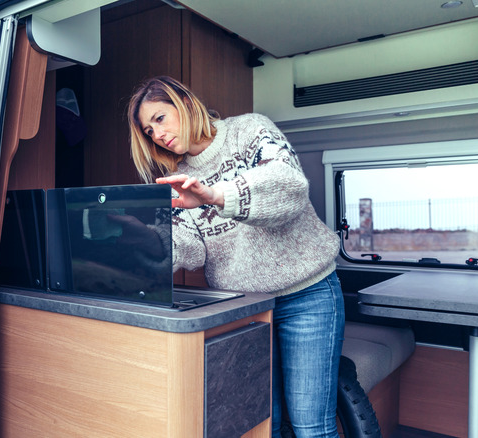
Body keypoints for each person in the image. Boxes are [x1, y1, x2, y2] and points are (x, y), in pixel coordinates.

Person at [126, 76, 344, 438]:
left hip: (309, 296)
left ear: (183, 100)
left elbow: (289, 188)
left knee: (312, 430)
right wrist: (145, 239)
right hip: (245, 311)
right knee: (261, 427)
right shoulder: (176, 178)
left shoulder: (250, 130)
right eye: (149, 132)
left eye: (160, 119)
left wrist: (214, 195)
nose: (157, 135)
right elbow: (186, 247)